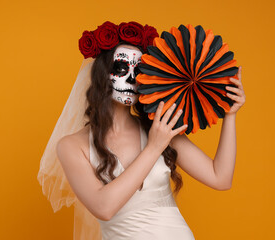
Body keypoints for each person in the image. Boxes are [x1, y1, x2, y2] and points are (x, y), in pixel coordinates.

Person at [37, 21, 245, 240]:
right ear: (103, 74)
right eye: (121, 68)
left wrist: (230, 115)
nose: (132, 79)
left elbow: (220, 178)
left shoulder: (160, 128)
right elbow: (104, 207)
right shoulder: (71, 146)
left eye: (140, 71)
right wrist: (154, 147)